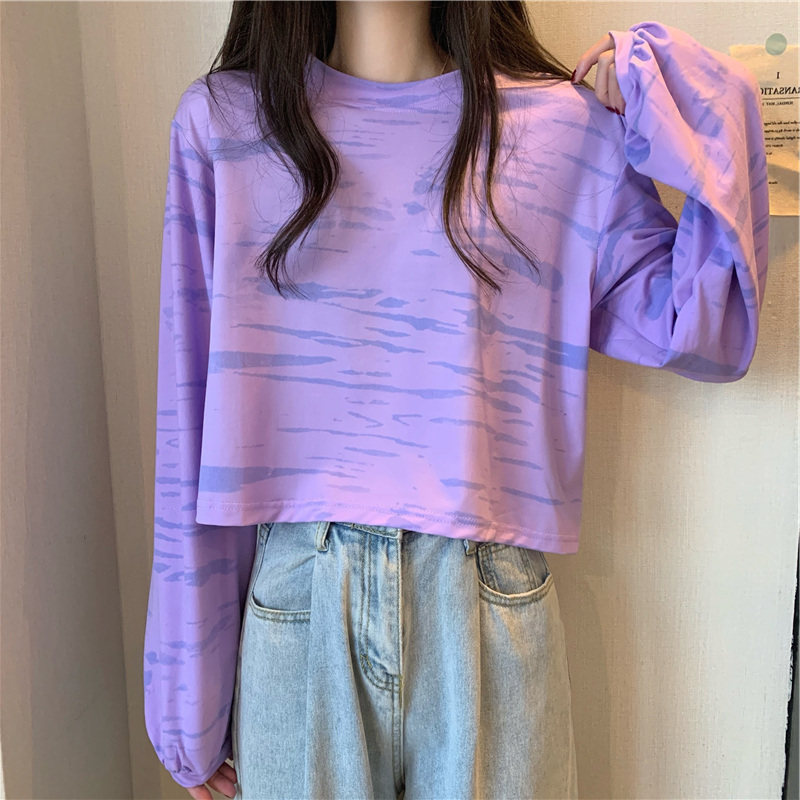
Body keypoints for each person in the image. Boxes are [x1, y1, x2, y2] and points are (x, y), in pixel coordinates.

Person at [142, 2, 769, 799]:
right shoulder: (227, 126)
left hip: (487, 598)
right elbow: (189, 411)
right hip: (302, 601)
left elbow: (710, 328)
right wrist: (187, 701)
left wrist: (678, 92)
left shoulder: (559, 132)